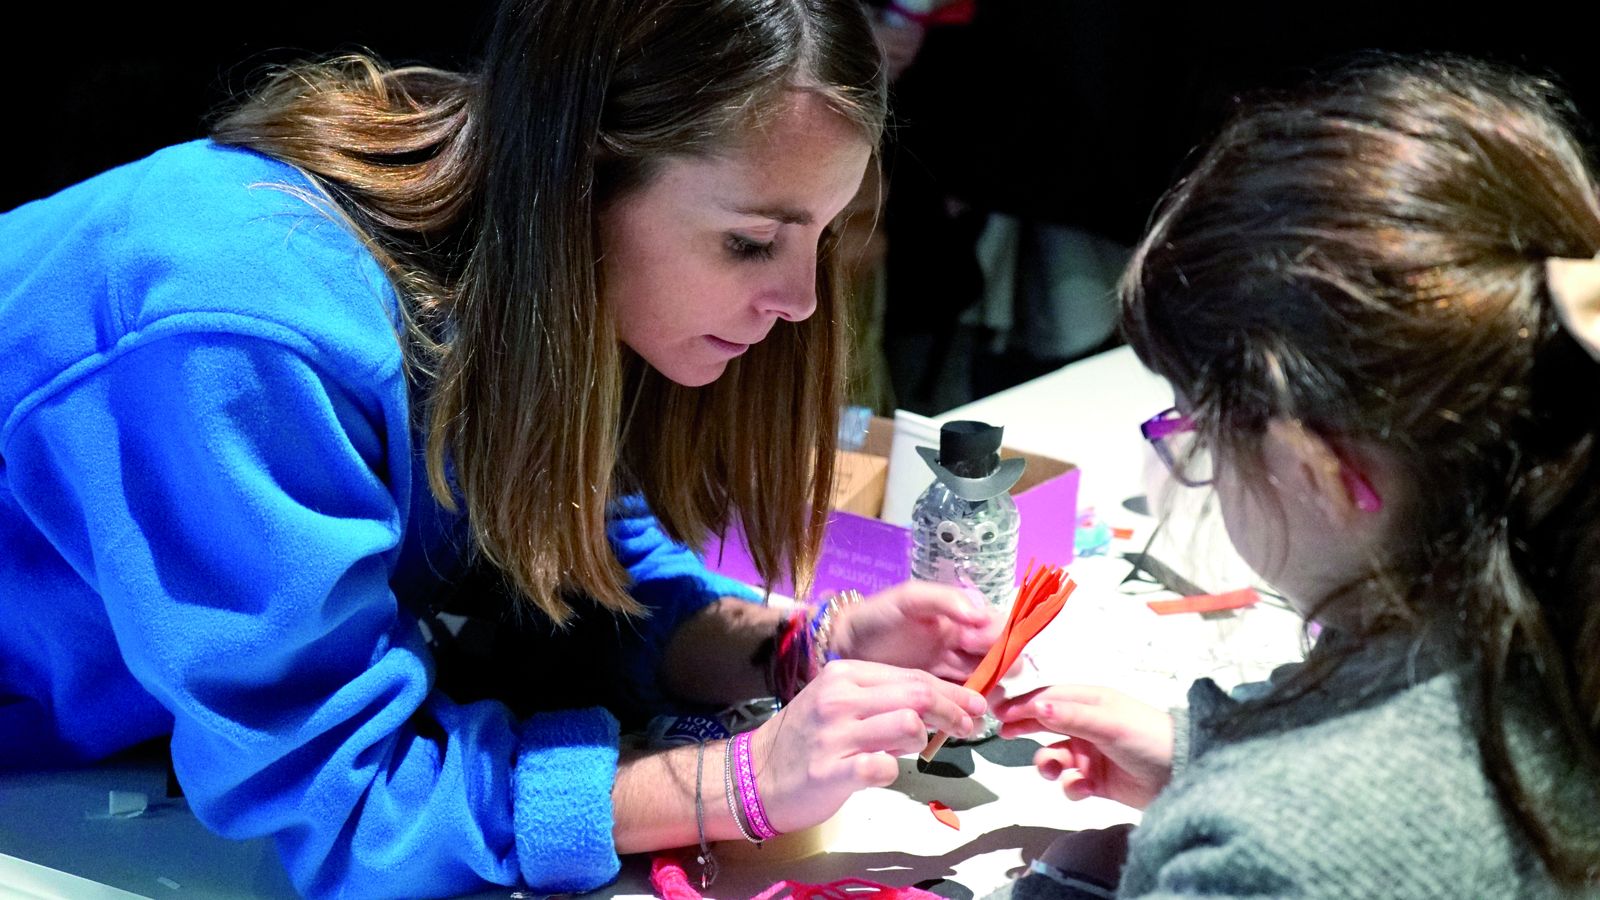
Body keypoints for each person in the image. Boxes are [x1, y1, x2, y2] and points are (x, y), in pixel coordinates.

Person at [0, 1, 1002, 897]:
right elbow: (345, 809)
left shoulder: (536, 256)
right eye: (750, 242)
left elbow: (577, 561)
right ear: (578, 178)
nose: (801, 304)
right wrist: (734, 783)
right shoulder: (240, 334)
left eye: (820, 238)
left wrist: (789, 653)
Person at [985, 56, 1600, 899]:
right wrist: (1212, 750)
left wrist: (1078, 877)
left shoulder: (1266, 851)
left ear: (1319, 467)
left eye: (1194, 429)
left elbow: (1337, 835)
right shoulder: (1561, 626)